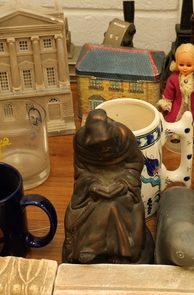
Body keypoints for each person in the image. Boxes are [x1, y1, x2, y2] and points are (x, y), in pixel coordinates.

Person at [63, 108, 152, 264]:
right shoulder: (80, 142)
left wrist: (124, 183)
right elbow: (81, 170)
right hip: (92, 180)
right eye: (98, 148)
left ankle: (120, 251)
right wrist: (92, 185)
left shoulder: (124, 136)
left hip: (122, 179)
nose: (103, 151)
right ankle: (89, 248)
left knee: (118, 202)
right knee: (97, 203)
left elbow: (134, 164)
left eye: (107, 146)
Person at [156, 42, 194, 125]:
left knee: (193, 122)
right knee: (175, 120)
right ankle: (176, 131)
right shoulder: (173, 79)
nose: (185, 68)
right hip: (177, 106)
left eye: (189, 65)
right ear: (176, 63)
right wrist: (166, 105)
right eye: (181, 64)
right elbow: (169, 93)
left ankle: (192, 131)